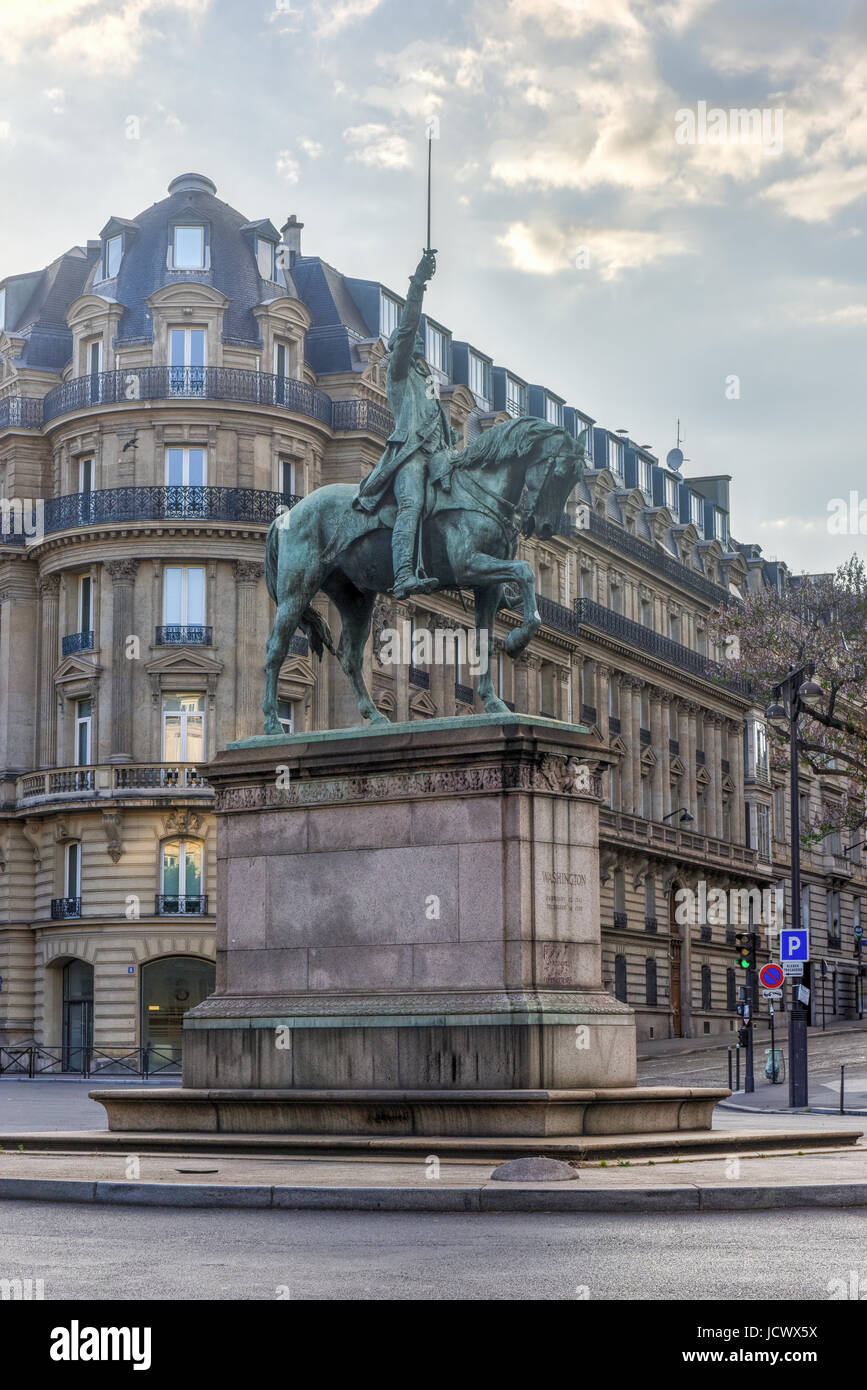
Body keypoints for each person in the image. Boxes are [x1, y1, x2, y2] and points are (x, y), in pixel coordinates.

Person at [352, 249, 456, 599]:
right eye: (414, 341)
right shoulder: (397, 373)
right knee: (411, 504)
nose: (420, 345)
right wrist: (418, 283)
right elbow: (410, 323)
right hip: (410, 454)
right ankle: (403, 574)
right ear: (401, 346)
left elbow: (441, 420)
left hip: (438, 454)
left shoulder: (427, 380)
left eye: (422, 344)